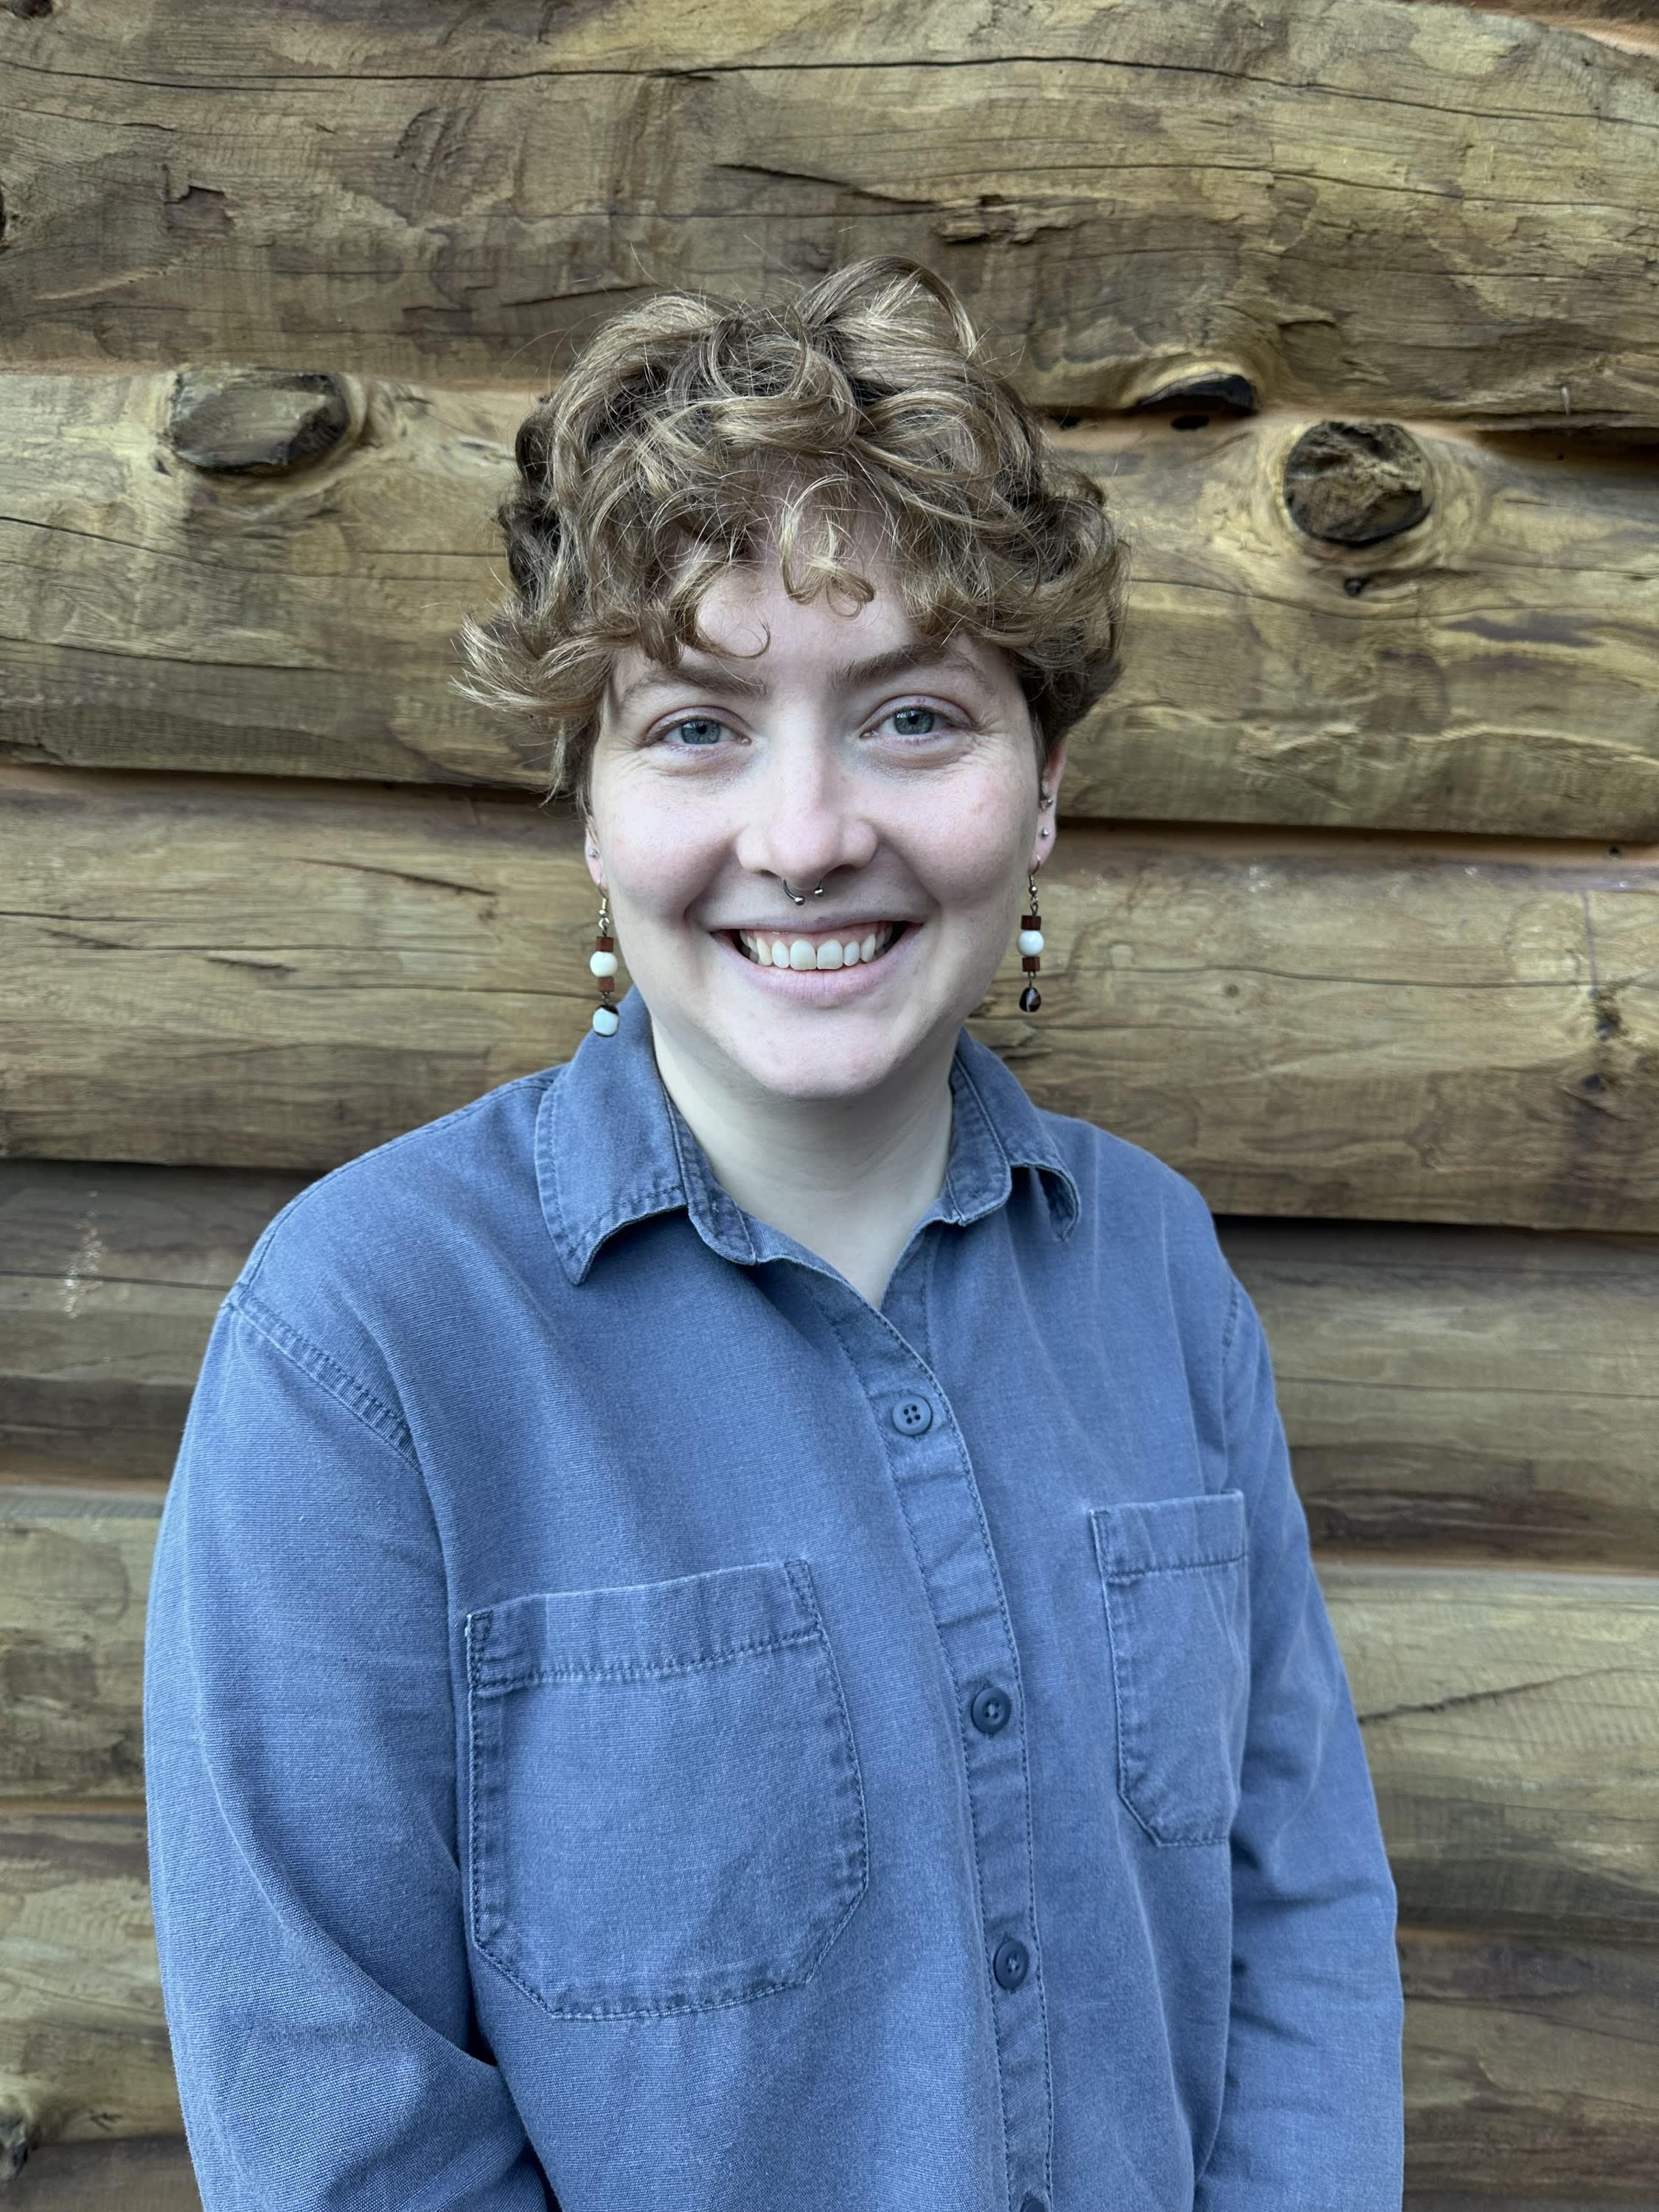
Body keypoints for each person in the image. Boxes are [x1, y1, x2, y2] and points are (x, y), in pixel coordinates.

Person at [143, 257, 1405, 2211]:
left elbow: (1296, 1913)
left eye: (912, 715)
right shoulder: (369, 1336)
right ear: (587, 804)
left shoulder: (1151, 1271)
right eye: (698, 729)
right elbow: (341, 2123)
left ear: (1046, 791)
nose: (806, 833)